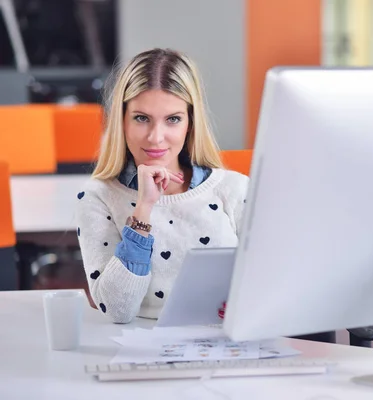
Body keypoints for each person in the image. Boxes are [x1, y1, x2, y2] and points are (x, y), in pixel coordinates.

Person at [75, 48, 248, 324]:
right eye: (141, 118)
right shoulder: (98, 197)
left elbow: (272, 283)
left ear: (190, 123)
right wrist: (144, 209)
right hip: (140, 351)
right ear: (122, 120)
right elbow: (117, 310)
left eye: (173, 119)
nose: (156, 138)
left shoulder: (235, 189)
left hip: (226, 348)